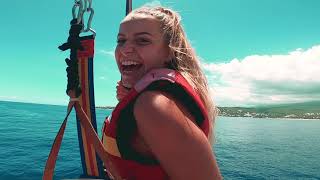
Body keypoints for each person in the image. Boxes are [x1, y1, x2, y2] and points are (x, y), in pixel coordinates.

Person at [101, 5, 222, 180]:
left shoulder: (154, 105)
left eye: (142, 40)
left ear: (169, 51)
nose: (125, 49)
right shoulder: (148, 99)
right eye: (121, 40)